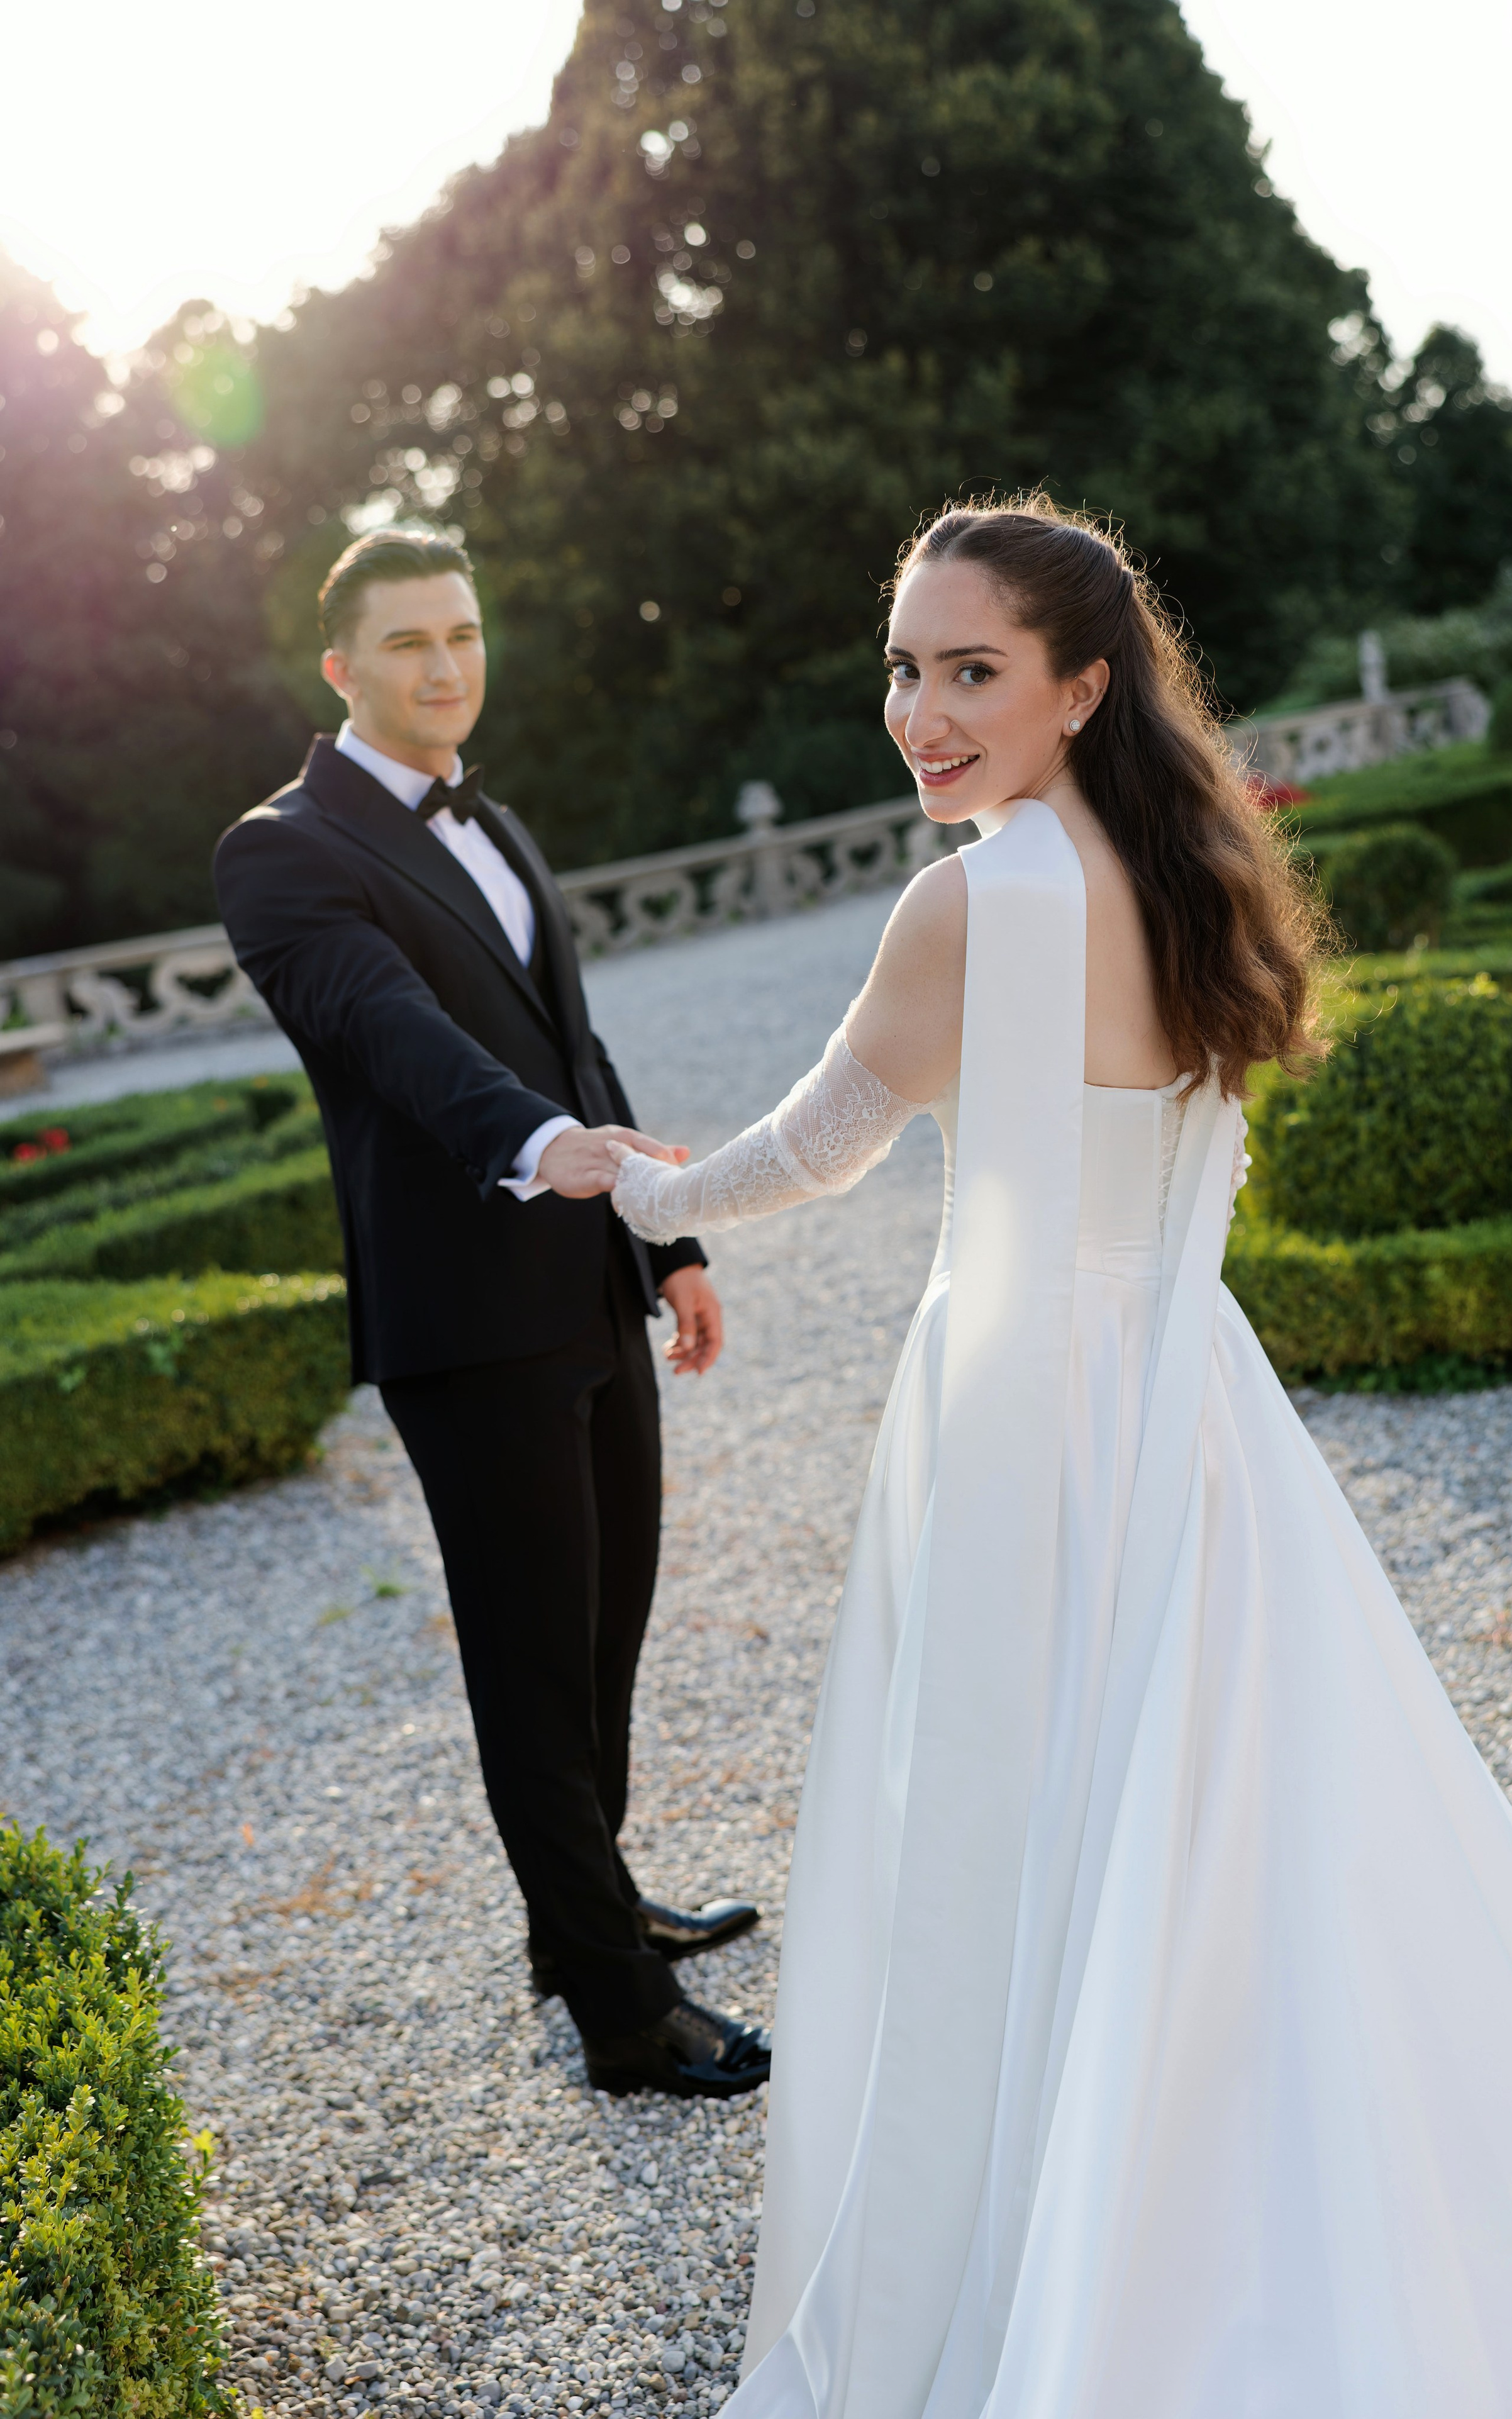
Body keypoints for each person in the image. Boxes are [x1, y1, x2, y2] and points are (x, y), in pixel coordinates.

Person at [608, 498, 1512, 2411]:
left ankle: (1070, 2257)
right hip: (1190, 1405)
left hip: (1017, 1425)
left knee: (1018, 1833)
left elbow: (816, 1148)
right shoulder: (1188, 860)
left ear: (1081, 684)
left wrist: (633, 1178)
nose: (921, 709)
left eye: (971, 669)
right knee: (1234, 1820)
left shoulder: (977, 899)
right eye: (903, 665)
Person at [214, 530, 770, 2102]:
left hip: (595, 1281)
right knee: (530, 1663)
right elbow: (388, 1033)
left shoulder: (499, 821)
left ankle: (578, 1913)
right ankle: (616, 2013)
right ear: (339, 667)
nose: (445, 666)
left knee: (605, 1634)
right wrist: (538, 1152)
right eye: (406, 643)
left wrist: (671, 1246)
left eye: (463, 633)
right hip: (465, 1313)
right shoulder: (278, 852)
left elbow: (573, 1051)